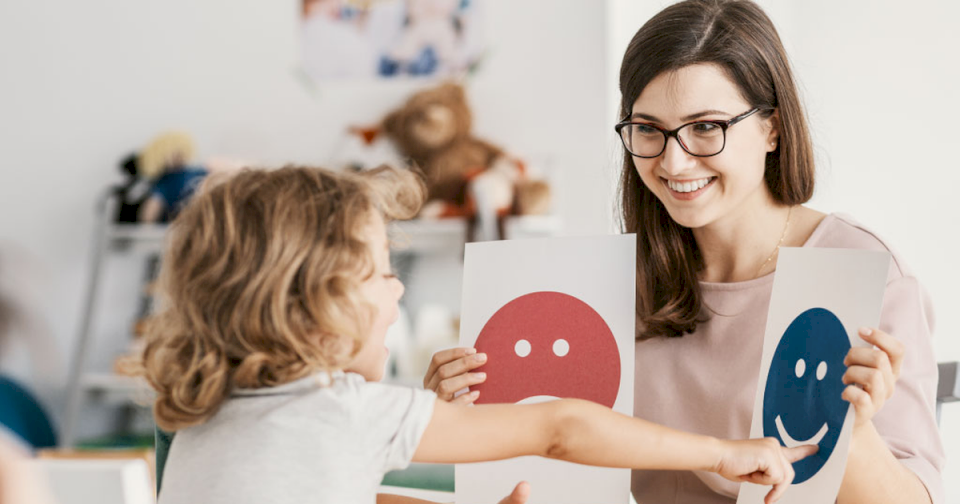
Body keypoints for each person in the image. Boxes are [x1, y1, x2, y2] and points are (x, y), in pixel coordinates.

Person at [422, 0, 945, 503]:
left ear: (772, 128)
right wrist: (464, 416)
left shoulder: (859, 273)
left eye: (705, 127)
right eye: (648, 129)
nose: (673, 162)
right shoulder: (614, 283)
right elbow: (556, 454)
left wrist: (852, 430)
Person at [139, 165, 813, 504]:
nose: (397, 288)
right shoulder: (346, 414)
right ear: (311, 309)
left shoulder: (203, 416)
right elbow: (560, 426)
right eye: (379, 273)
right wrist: (719, 452)